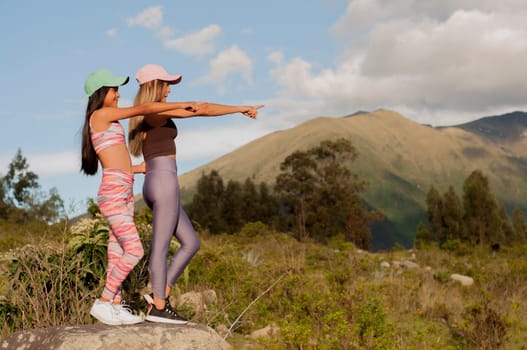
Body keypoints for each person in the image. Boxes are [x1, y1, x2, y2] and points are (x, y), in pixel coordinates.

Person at [128, 64, 263, 324]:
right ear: (154, 86)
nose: (169, 89)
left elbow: (202, 109)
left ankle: (160, 295)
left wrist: (239, 108)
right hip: (163, 181)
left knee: (191, 243)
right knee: (161, 246)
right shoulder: (153, 114)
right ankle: (158, 307)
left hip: (157, 180)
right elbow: (202, 109)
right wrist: (239, 108)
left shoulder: (152, 114)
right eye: (166, 84)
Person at [81, 69, 200, 325]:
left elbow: (115, 161)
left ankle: (114, 304)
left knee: (117, 251)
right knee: (134, 250)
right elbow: (142, 108)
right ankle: (104, 299)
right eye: (115, 90)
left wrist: (137, 168)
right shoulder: (100, 115)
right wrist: (181, 104)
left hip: (124, 189)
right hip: (114, 192)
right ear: (103, 93)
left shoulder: (109, 121)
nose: (119, 94)